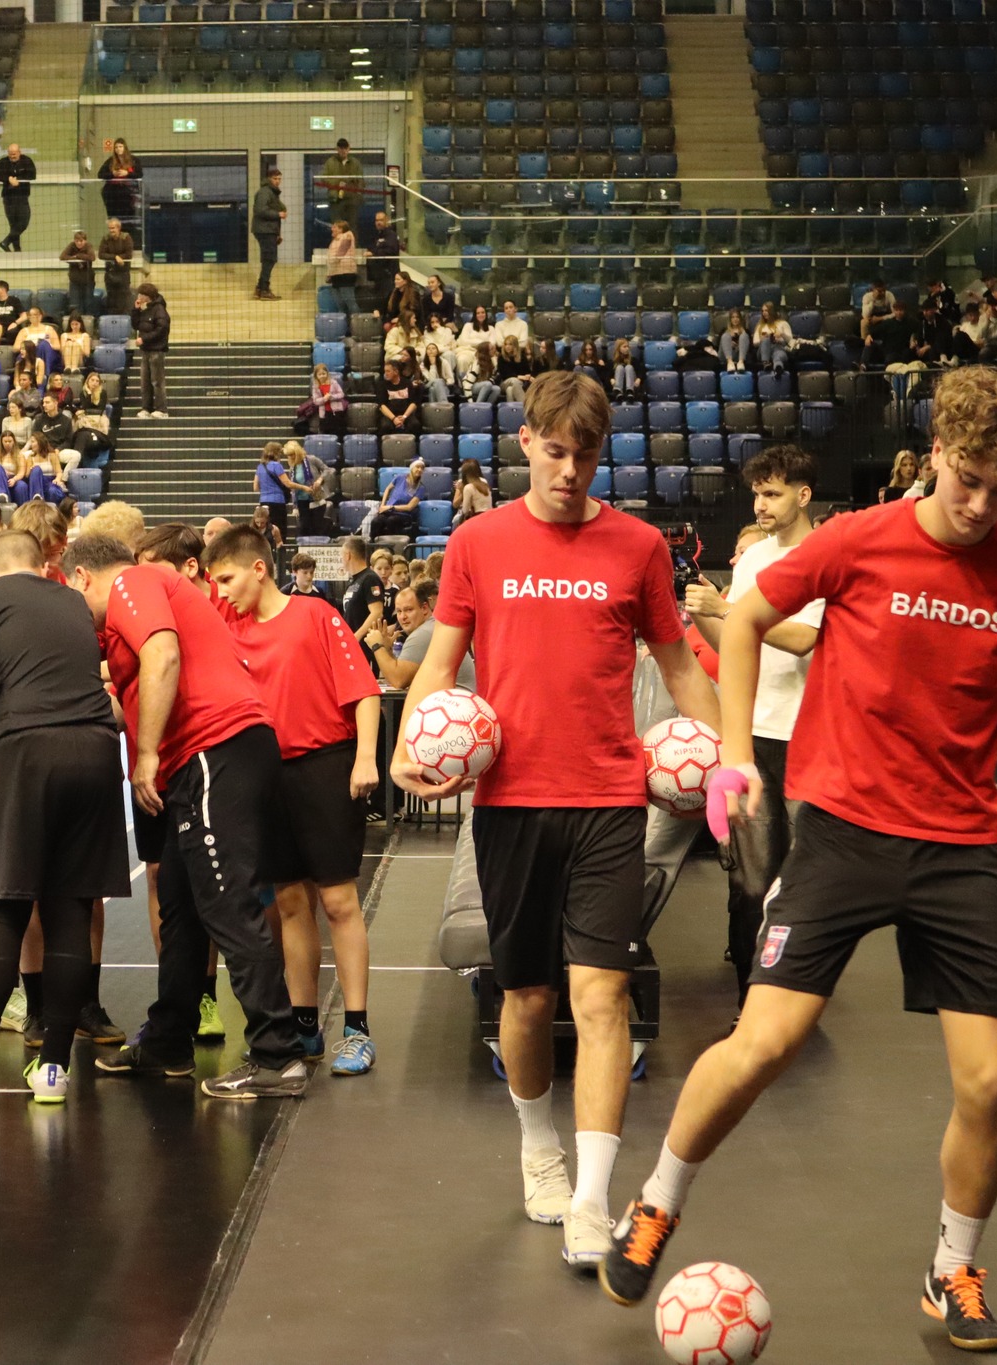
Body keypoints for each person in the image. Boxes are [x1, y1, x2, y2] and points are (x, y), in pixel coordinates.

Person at [601, 368, 997, 1356]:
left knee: (988, 1083)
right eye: (967, 479)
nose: (980, 505)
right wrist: (736, 752)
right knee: (763, 1044)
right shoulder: (859, 538)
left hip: (957, 846)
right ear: (935, 454)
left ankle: (951, 1269)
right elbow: (747, 618)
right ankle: (655, 1201)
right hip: (841, 828)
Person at [389, 370, 721, 1269]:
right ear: (527, 441)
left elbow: (680, 667)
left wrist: (732, 761)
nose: (570, 471)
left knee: (603, 997)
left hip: (611, 800)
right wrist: (406, 744)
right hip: (510, 804)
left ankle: (591, 1198)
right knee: (527, 998)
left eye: (587, 454)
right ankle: (539, 1148)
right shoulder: (477, 542)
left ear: (601, 452)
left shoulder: (639, 546)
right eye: (556, 451)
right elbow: (441, 663)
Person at [58, 534, 308, 1099]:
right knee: (182, 906)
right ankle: (169, 1039)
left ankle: (278, 1055)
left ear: (82, 576)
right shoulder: (131, 608)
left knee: (226, 901)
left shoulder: (133, 580)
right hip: (205, 757)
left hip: (215, 749)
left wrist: (146, 753)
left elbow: (164, 655)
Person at [0, 530, 134, 1109]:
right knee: (70, 913)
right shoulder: (73, 600)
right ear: (44, 566)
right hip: (96, 751)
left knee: (3, 913)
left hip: (25, 753)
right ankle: (54, 1070)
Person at [205, 526, 382, 1073]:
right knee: (288, 902)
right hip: (264, 774)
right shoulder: (228, 626)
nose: (222, 591)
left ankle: (356, 1029)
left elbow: (364, 692)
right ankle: (305, 1026)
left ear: (259, 569)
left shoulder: (316, 615)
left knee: (338, 901)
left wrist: (366, 758)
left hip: (325, 766)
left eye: (227, 579)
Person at [680, 446, 822, 1006]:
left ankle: (795, 997)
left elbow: (804, 638)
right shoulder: (754, 558)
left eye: (772, 494)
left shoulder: (824, 557)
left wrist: (728, 611)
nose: (760, 504)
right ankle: (751, 999)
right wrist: (705, 614)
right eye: (757, 494)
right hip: (754, 736)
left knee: (803, 883)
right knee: (751, 882)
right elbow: (732, 646)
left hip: (811, 738)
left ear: (803, 496)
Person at [132, 282, 170, 419]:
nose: (139, 296)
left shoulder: (159, 310)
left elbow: (162, 329)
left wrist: (144, 339)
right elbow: (135, 325)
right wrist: (136, 310)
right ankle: (146, 408)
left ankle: (161, 409)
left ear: (148, 296)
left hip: (156, 351)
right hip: (145, 351)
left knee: (157, 381)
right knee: (145, 382)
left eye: (141, 294)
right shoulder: (145, 309)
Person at [0, 142, 37, 251]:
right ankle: (17, 250)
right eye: (10, 154)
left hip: (22, 196)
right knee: (13, 225)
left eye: (14, 154)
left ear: (19, 152)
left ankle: (5, 242)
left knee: (24, 222)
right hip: (8, 198)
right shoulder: (3, 162)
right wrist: (8, 179)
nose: (12, 156)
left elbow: (32, 175)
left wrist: (18, 180)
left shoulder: (27, 161)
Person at [251, 166, 287, 302]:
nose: (277, 181)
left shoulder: (271, 192)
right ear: (269, 179)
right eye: (275, 178)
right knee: (269, 259)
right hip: (265, 230)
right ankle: (264, 289)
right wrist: (278, 214)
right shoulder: (265, 192)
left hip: (268, 230)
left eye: (279, 179)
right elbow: (260, 210)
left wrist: (277, 233)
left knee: (268, 258)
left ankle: (260, 289)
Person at [99, 137, 142, 239]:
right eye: (116, 147)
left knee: (127, 220)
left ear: (125, 147)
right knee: (114, 219)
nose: (118, 149)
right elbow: (100, 174)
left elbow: (139, 174)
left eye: (120, 146)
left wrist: (127, 173)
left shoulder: (134, 160)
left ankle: (127, 239)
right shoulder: (110, 161)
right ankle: (115, 238)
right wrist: (113, 174)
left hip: (128, 194)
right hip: (112, 195)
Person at [256, 441, 293, 539]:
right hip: (277, 502)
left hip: (263, 502)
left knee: (266, 529)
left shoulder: (260, 467)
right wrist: (303, 487)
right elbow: (287, 483)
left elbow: (255, 487)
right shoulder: (276, 465)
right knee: (280, 529)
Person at [323, 219, 360, 318]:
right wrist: (329, 274)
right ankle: (344, 324)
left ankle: (357, 323)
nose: (332, 229)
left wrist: (333, 261)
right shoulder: (334, 241)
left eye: (334, 227)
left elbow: (340, 253)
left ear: (341, 229)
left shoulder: (347, 236)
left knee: (350, 302)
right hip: (336, 274)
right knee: (339, 303)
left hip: (346, 274)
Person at [99, 218, 135, 315]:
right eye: (109, 228)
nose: (111, 230)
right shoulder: (105, 238)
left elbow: (129, 254)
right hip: (110, 273)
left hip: (123, 273)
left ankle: (122, 319)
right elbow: (101, 254)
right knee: (111, 299)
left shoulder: (126, 237)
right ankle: (111, 318)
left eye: (113, 228)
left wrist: (120, 258)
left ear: (119, 228)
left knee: (123, 298)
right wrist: (115, 257)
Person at [60, 229, 97, 320]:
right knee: (75, 303)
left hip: (88, 280)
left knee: (88, 303)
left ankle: (89, 322)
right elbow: (62, 256)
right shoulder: (71, 245)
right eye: (77, 241)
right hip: (74, 281)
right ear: (74, 241)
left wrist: (78, 256)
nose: (79, 243)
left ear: (85, 241)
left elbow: (92, 257)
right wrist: (75, 260)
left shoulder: (88, 246)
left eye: (81, 241)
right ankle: (75, 321)